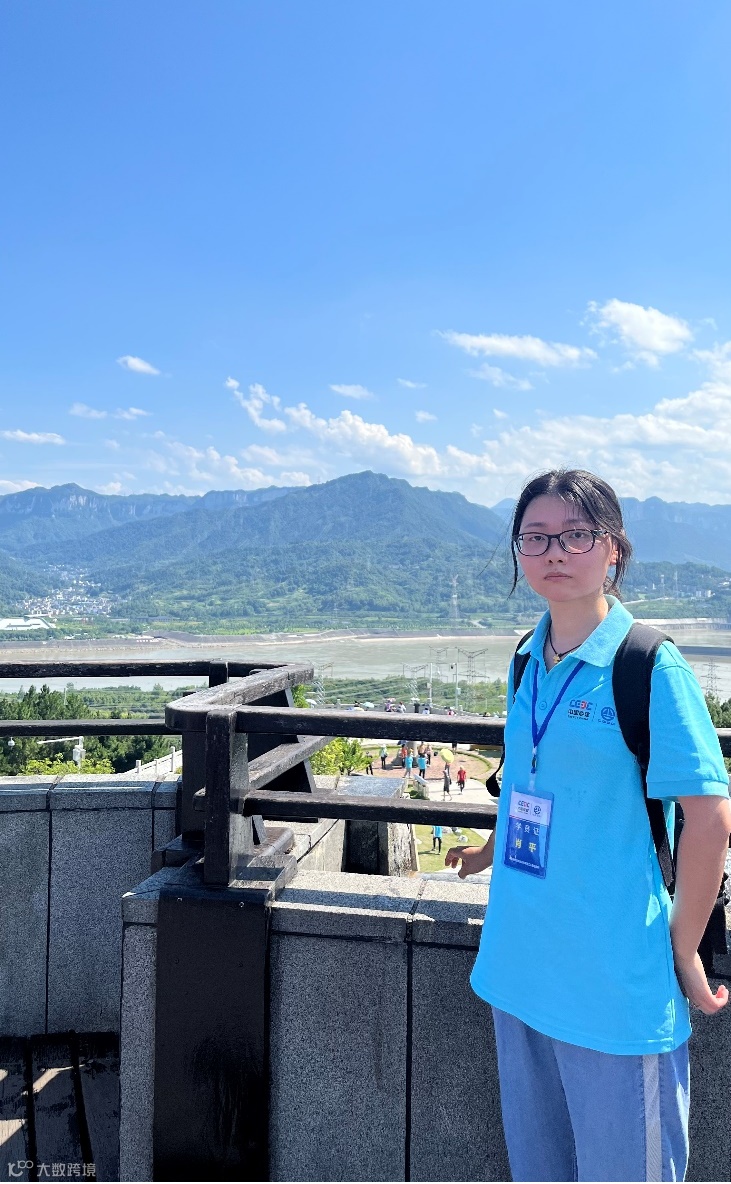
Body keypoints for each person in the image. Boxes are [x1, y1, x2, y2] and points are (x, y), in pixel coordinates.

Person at [444, 468, 731, 1183]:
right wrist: (487, 852)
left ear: (613, 549)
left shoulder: (648, 666)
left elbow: (709, 818)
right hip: (521, 963)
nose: (554, 552)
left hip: (613, 979)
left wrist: (683, 946)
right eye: (535, 537)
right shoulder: (525, 657)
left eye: (576, 535)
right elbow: (529, 781)